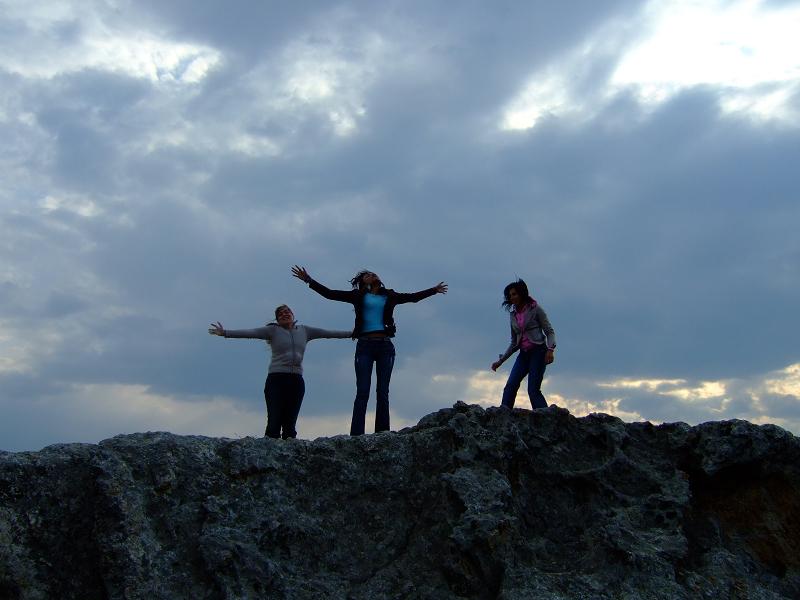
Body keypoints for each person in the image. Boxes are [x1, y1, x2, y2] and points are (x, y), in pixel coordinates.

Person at [292, 265, 447, 436]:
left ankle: (382, 434)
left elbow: (412, 298)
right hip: (364, 345)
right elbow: (330, 294)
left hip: (385, 346)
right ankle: (357, 435)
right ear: (362, 282)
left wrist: (434, 290)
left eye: (374, 273)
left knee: (382, 392)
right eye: (368, 275)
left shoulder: (390, 295)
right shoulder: (357, 296)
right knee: (362, 391)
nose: (373, 275)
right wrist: (309, 280)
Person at [208, 304, 351, 439]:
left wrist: (353, 333)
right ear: (277, 320)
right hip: (276, 380)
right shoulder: (272, 331)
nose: (284, 314)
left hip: (296, 380)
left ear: (293, 315)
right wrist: (225, 332)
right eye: (280, 314)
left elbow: (329, 333)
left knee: (290, 425)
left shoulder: (305, 330)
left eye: (287, 311)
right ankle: (268, 461)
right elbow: (250, 332)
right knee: (274, 423)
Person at [491, 279, 556, 409]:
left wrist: (550, 350)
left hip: (538, 352)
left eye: (514, 294)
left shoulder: (535, 309)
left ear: (521, 294)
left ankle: (545, 418)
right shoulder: (513, 315)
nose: (512, 297)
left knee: (533, 390)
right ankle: (504, 415)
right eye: (510, 295)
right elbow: (514, 342)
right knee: (510, 386)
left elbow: (549, 331)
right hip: (524, 354)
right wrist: (501, 361)